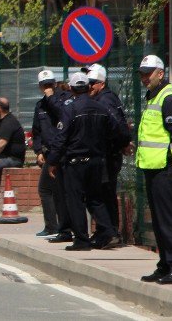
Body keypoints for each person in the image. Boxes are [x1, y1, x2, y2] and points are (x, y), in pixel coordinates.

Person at [46, 72, 123, 251]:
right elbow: (116, 130)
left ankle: (82, 239)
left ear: (72, 89)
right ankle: (108, 229)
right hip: (98, 160)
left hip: (75, 162)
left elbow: (61, 137)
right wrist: (121, 145)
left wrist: (53, 161)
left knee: (75, 200)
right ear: (88, 88)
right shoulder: (101, 108)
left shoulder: (70, 109)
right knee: (95, 198)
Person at [135, 55, 172, 285]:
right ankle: (165, 264)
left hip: (167, 167)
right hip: (154, 166)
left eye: (148, 73)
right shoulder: (154, 96)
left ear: (161, 73)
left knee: (169, 219)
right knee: (159, 220)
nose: (144, 78)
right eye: (141, 73)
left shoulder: (168, 98)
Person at [87, 63, 131, 235]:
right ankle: (106, 230)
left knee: (105, 194)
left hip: (107, 155)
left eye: (92, 82)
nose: (89, 86)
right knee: (103, 193)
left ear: (101, 84)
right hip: (106, 154)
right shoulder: (103, 98)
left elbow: (119, 126)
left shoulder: (105, 100)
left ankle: (110, 231)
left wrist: (123, 143)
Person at [32, 70, 69, 237]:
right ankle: (53, 226)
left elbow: (62, 114)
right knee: (48, 190)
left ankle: (60, 227)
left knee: (55, 190)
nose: (47, 88)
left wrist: (50, 97)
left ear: (54, 83)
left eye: (49, 84)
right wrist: (38, 150)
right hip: (48, 152)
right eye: (44, 85)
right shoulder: (40, 105)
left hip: (60, 151)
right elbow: (37, 130)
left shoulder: (62, 99)